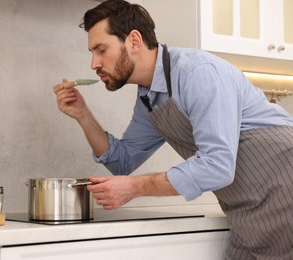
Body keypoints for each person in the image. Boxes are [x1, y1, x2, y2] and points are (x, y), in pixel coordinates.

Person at [53, 0, 293, 258]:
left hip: (284, 189)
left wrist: (134, 188)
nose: (94, 63)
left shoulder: (197, 73)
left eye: (101, 50)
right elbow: (122, 163)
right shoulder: (150, 97)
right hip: (246, 207)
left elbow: (217, 165)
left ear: (134, 41)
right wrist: (82, 115)